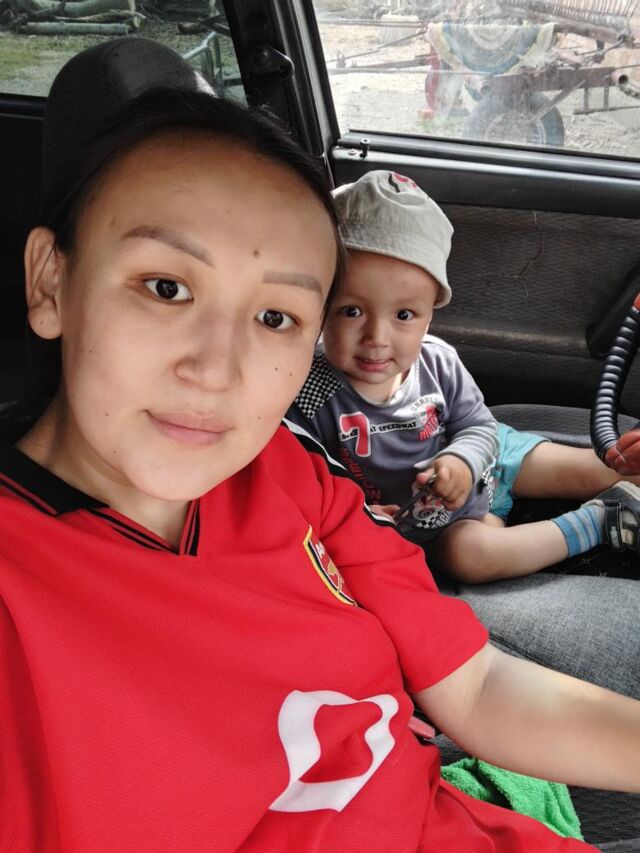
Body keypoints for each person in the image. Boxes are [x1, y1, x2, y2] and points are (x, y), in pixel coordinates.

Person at [1, 37, 638, 852]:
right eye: (167, 287)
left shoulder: (289, 470)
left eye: (275, 317)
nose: (218, 370)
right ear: (51, 281)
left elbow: (475, 685)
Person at [288, 170, 640, 698]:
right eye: (351, 311)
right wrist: (356, 514)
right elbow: (306, 477)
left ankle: (625, 474)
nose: (377, 337)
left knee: (590, 465)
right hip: (432, 519)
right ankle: (602, 520)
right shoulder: (312, 391)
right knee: (470, 558)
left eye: (404, 314)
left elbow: (478, 426)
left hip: (490, 456)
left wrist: (463, 460)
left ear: (431, 311)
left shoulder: (439, 362)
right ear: (318, 306)